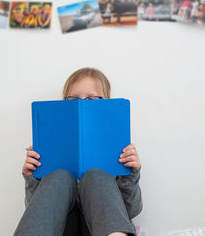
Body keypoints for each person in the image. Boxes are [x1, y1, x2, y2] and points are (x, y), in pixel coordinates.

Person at [14, 67, 143, 236]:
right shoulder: (48, 146)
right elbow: (37, 213)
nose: (82, 103)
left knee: (96, 175)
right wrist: (32, 177)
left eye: (92, 98)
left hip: (103, 230)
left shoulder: (118, 148)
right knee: (59, 176)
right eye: (73, 98)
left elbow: (131, 210)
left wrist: (130, 176)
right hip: (62, 230)